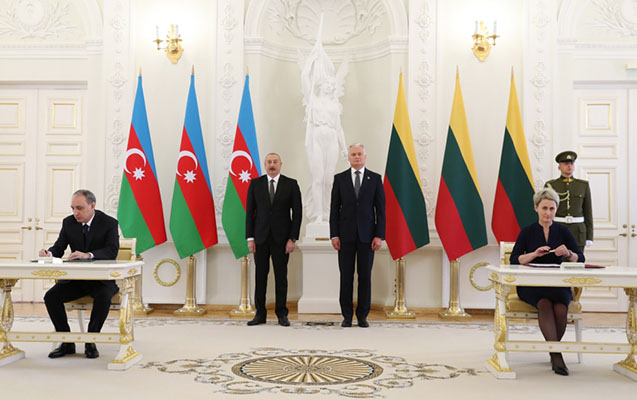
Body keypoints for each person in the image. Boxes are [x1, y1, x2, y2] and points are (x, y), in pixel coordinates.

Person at [510, 187, 584, 376]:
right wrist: (534, 254)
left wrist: (568, 253)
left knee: (560, 308)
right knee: (543, 303)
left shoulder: (563, 231)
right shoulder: (527, 231)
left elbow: (580, 258)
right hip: (532, 285)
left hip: (557, 284)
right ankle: (557, 354)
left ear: (556, 209)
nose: (548, 213)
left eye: (552, 209)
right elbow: (514, 259)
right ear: (536, 208)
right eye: (544, 208)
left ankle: (554, 351)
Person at [39, 189, 119, 359]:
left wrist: (88, 255)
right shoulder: (68, 222)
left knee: (103, 296)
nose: (76, 213)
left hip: (101, 281)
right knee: (51, 297)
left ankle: (91, 340)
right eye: (73, 208)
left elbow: (112, 251)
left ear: (92, 205)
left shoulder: (109, 223)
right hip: (76, 280)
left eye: (80, 208)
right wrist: (49, 254)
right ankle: (66, 341)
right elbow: (59, 247)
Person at [330, 144, 385, 328]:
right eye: (353, 154)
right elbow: (334, 210)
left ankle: (362, 316)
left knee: (365, 277)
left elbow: (380, 210)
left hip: (367, 238)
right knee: (346, 277)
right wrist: (334, 235)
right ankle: (346, 316)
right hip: (344, 237)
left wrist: (379, 235)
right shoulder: (339, 179)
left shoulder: (375, 179)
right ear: (349, 157)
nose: (357, 157)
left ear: (365, 156)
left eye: (360, 154)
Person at [299, 16, 348, 223]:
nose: (330, 86)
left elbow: (339, 129)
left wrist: (344, 148)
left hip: (332, 140)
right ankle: (318, 213)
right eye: (327, 84)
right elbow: (304, 78)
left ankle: (328, 213)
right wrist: (310, 62)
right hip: (316, 139)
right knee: (318, 179)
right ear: (320, 86)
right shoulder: (312, 100)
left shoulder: (335, 105)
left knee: (329, 179)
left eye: (332, 84)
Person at [245, 153, 302, 327]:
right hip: (260, 239)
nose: (272, 165)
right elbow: (250, 213)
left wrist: (292, 238)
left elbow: (297, 214)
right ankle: (260, 314)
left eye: (275, 162)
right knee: (260, 277)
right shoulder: (255, 184)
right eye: (269, 162)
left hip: (282, 240)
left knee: (281, 278)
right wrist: (250, 238)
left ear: (280, 164)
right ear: (265, 164)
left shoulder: (291, 184)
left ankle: (282, 314)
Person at [545, 151, 593, 251]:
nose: (569, 166)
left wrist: (589, 236)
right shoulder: (551, 185)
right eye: (566, 163)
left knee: (577, 259)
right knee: (556, 259)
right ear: (559, 167)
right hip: (557, 229)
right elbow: (545, 211)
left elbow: (588, 212)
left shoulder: (583, 185)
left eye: (571, 163)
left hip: (578, 231)